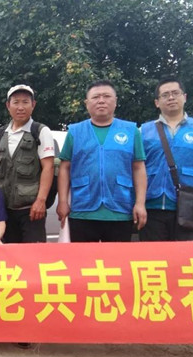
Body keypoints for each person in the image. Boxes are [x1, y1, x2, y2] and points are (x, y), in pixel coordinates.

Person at [57, 80, 147, 242]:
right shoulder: (75, 132)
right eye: (96, 97)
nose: (101, 101)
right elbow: (65, 168)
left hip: (120, 209)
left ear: (115, 101)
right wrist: (63, 201)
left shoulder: (131, 131)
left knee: (117, 258)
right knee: (83, 258)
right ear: (86, 103)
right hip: (83, 209)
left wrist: (140, 203)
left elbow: (138, 168)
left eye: (106, 96)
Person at [139, 77, 193, 241]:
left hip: (188, 206)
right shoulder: (143, 131)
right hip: (152, 207)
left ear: (185, 97)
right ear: (157, 102)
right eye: (165, 95)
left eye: (175, 93)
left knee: (186, 255)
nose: (171, 98)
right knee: (153, 255)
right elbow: (135, 169)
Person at [0, 84, 55, 243]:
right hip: (5, 209)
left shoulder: (40, 131)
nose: (20, 107)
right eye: (16, 102)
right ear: (8, 105)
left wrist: (41, 201)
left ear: (33, 105)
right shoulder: (2, 133)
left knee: (33, 255)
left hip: (31, 209)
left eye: (25, 102)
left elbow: (48, 167)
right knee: (9, 254)